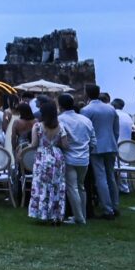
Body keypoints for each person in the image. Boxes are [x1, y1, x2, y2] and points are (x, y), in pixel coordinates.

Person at [81, 84, 120, 218]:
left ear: (87, 93)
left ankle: (107, 209)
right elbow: (116, 129)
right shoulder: (110, 108)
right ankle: (115, 205)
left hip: (96, 147)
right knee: (111, 176)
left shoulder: (86, 110)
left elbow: (85, 131)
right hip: (111, 145)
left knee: (100, 177)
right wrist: (114, 141)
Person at [27, 105, 68, 224]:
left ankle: (43, 213)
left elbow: (34, 144)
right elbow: (65, 145)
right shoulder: (61, 126)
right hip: (57, 156)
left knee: (42, 186)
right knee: (57, 186)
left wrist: (24, 148)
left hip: (42, 156)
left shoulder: (38, 126)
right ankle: (56, 214)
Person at [56, 94, 93, 225]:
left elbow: (59, 139)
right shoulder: (85, 120)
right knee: (81, 186)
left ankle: (78, 217)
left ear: (60, 105)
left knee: (72, 187)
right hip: (84, 157)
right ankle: (82, 214)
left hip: (68, 157)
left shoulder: (60, 120)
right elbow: (93, 140)